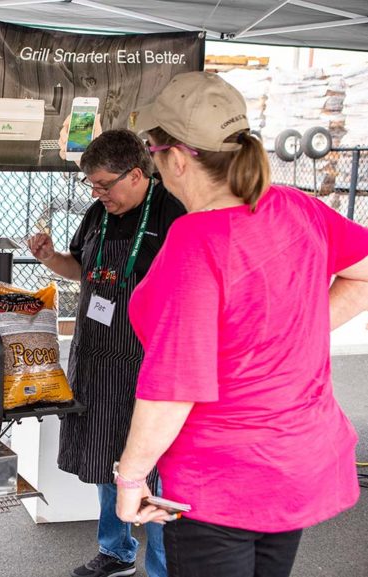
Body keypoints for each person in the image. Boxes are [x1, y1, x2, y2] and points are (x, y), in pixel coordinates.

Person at [115, 71, 368, 577]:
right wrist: (294, 332)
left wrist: (130, 481)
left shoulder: (195, 242)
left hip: (221, 479)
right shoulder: (298, 207)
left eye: (153, 151)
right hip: (294, 465)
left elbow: (172, 387)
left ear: (178, 157)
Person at [28, 128, 185, 577]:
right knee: (103, 456)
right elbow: (81, 268)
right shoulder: (98, 213)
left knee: (152, 468)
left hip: (146, 362)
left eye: (103, 184)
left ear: (136, 175)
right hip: (96, 358)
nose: (96, 193)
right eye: (90, 185)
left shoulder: (173, 215)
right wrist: (50, 258)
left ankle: (163, 566)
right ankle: (116, 550)